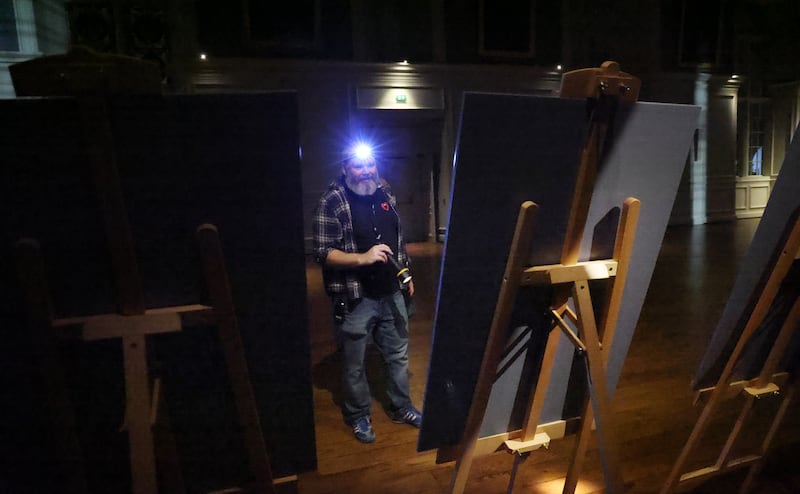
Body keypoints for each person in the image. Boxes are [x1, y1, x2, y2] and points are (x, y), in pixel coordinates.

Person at [312, 143, 422, 443]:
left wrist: (406, 274)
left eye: (370, 164)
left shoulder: (385, 191)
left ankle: (401, 407)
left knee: (398, 355)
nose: (366, 171)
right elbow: (322, 252)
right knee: (354, 362)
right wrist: (363, 257)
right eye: (358, 166)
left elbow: (397, 240)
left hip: (391, 291)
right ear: (345, 168)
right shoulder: (332, 201)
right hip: (355, 296)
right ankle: (358, 414)